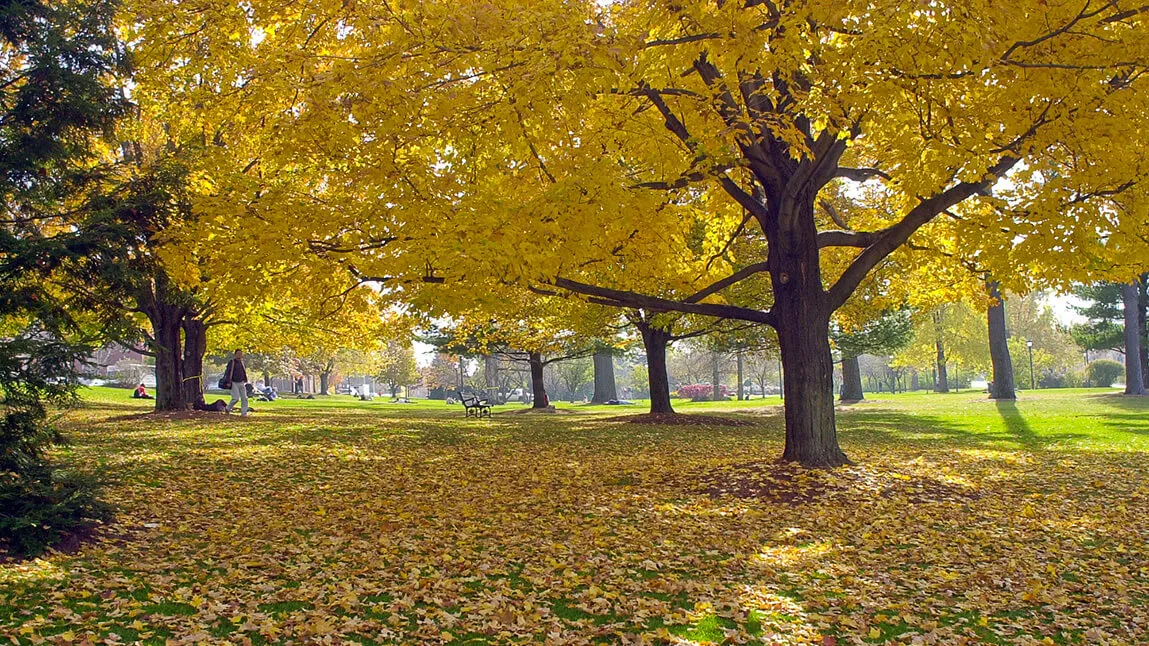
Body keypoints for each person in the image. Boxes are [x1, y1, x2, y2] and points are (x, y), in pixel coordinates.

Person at [223, 349, 251, 416]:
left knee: (244, 398)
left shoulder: (242, 362)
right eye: (238, 353)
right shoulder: (232, 362)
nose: (239, 355)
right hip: (234, 382)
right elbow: (227, 372)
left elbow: (243, 372)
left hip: (241, 382)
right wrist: (228, 381)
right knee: (235, 398)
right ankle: (227, 408)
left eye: (240, 354)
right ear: (235, 354)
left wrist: (245, 379)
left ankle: (244, 413)